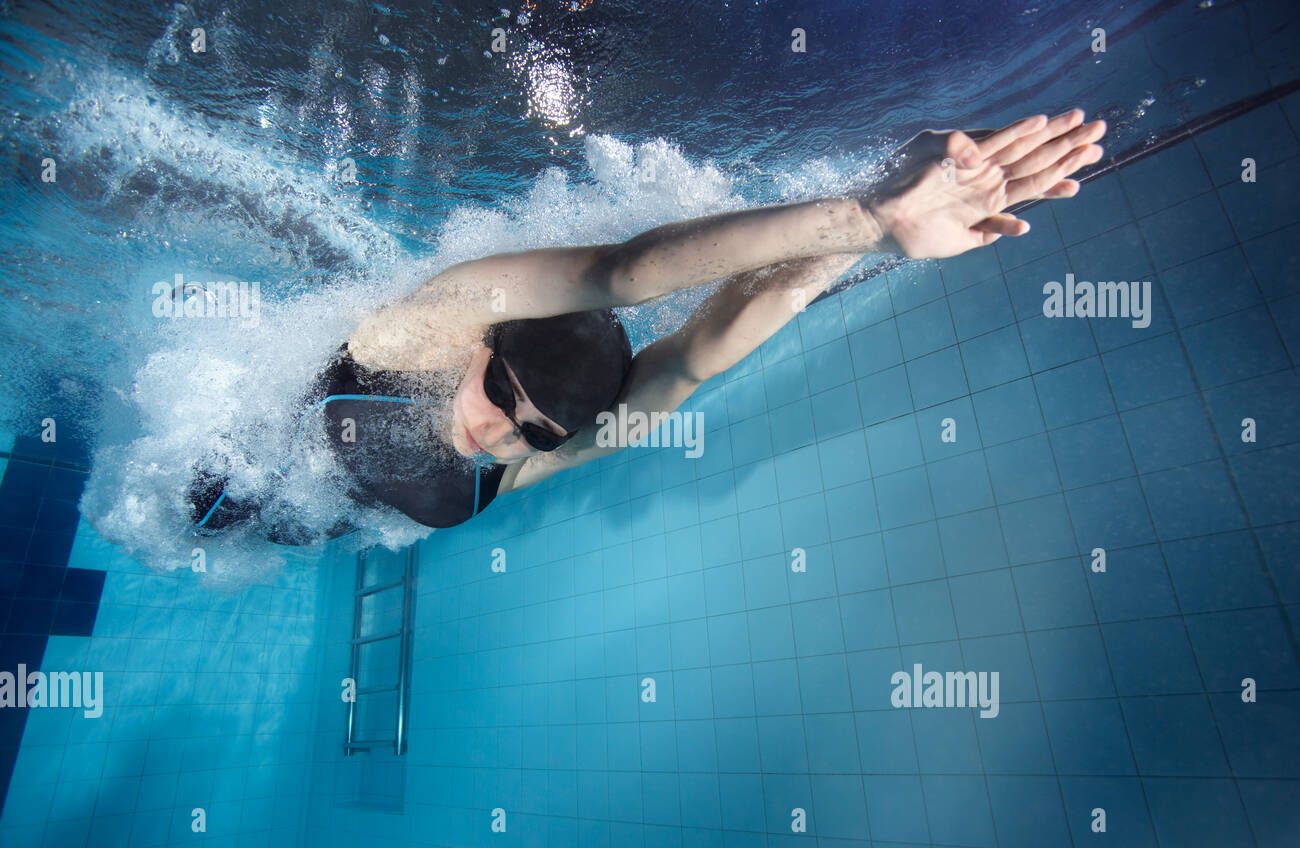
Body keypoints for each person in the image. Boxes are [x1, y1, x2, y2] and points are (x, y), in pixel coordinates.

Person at [189, 109, 1106, 544]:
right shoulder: (411, 341)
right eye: (504, 393)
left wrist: (885, 245)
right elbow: (618, 274)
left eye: (533, 431)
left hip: (322, 522)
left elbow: (694, 361)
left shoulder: (512, 467)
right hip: (248, 460)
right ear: (485, 344)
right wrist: (862, 216)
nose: (501, 431)